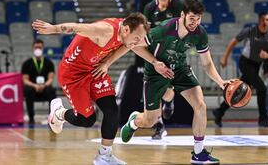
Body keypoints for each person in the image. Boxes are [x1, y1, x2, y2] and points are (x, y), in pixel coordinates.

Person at [31, 13, 173, 165]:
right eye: (137, 38)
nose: (138, 42)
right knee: (87, 120)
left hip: (95, 69)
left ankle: (104, 156)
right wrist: (53, 28)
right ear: (125, 30)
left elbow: (130, 45)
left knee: (111, 111)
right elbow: (76, 27)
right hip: (73, 74)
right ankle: (59, 114)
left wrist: (153, 62)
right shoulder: (105, 30)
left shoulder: (128, 32)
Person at [117, 0, 232, 164]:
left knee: (200, 106)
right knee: (150, 120)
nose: (195, 23)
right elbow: (134, 46)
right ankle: (134, 121)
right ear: (183, 15)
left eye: (198, 19)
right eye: (192, 18)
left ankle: (198, 153)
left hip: (179, 68)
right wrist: (155, 63)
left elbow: (207, 63)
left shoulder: (200, 34)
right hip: (156, 72)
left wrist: (221, 82)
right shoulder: (164, 29)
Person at [214, 12, 268, 127]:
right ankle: (263, 119)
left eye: (267, 20)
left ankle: (219, 111)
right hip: (245, 63)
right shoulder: (250, 31)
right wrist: (225, 57)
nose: (265, 22)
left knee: (239, 90)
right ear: (259, 20)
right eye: (263, 20)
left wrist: (266, 56)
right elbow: (234, 41)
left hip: (257, 65)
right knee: (262, 88)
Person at [143, 0, 184, 139]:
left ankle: (169, 101)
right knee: (156, 91)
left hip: (173, 54)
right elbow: (145, 32)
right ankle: (159, 125)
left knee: (167, 92)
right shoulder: (149, 9)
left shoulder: (178, 5)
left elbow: (184, 29)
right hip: (156, 55)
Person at [21, 39, 56, 125]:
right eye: (36, 47)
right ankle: (31, 118)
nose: (38, 49)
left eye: (40, 47)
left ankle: (51, 117)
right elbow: (25, 80)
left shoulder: (49, 63)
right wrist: (35, 86)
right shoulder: (27, 63)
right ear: (33, 48)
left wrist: (44, 85)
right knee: (28, 90)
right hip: (32, 87)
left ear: (43, 48)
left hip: (45, 87)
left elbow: (51, 79)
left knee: (51, 91)